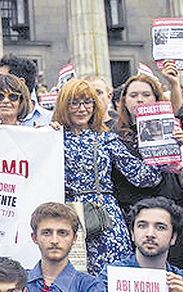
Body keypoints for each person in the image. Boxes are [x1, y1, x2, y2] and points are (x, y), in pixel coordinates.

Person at [51, 78, 162, 273]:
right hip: (67, 217)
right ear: (63, 106)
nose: (82, 108)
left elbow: (143, 177)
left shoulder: (106, 138)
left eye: (87, 102)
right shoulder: (51, 137)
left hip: (104, 218)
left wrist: (163, 147)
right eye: (74, 102)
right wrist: (41, 136)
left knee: (115, 277)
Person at [112, 71, 183, 269]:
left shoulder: (174, 130)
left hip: (173, 218)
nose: (140, 100)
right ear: (124, 102)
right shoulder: (115, 137)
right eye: (133, 95)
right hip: (135, 219)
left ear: (156, 98)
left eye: (146, 95)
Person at [22, 202, 109, 292]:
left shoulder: (91, 287)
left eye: (62, 233)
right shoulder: (19, 282)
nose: (55, 240)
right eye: (47, 233)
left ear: (74, 239)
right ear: (34, 238)